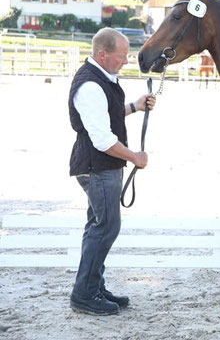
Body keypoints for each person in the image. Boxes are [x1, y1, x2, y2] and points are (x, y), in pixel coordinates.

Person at [67, 27, 156, 315]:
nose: (126, 61)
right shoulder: (90, 85)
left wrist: (134, 106)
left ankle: (92, 286)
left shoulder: (101, 78)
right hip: (98, 166)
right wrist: (135, 157)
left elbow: (106, 114)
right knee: (105, 228)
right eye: (122, 56)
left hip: (100, 166)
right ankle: (85, 294)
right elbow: (102, 139)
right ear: (102, 54)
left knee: (98, 226)